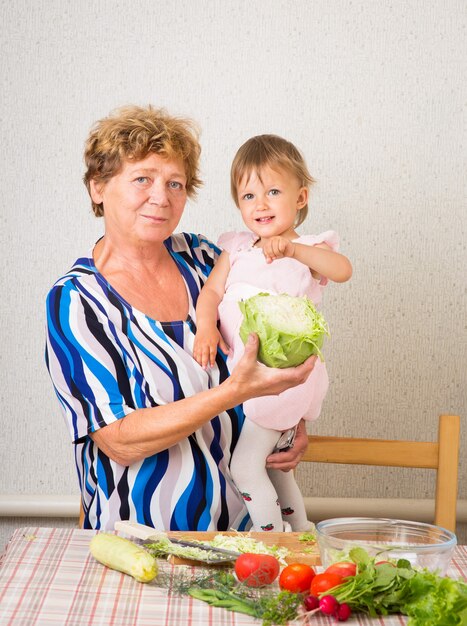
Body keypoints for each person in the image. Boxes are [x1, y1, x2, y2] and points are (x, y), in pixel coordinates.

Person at [45, 106, 317, 531]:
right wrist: (230, 393)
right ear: (98, 187)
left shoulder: (207, 259)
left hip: (247, 540)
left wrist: (290, 421)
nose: (162, 196)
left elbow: (277, 344)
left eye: (175, 183)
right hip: (144, 541)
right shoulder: (77, 298)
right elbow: (119, 439)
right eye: (142, 179)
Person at [193, 134, 352, 532]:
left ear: (300, 198)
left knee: (245, 467)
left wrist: (294, 250)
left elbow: (343, 270)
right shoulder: (238, 249)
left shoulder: (308, 250)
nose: (260, 204)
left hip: (284, 380)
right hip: (251, 381)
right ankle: (302, 536)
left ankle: (272, 547)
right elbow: (211, 291)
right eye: (248, 196)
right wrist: (205, 327)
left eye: (273, 191)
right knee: (276, 471)